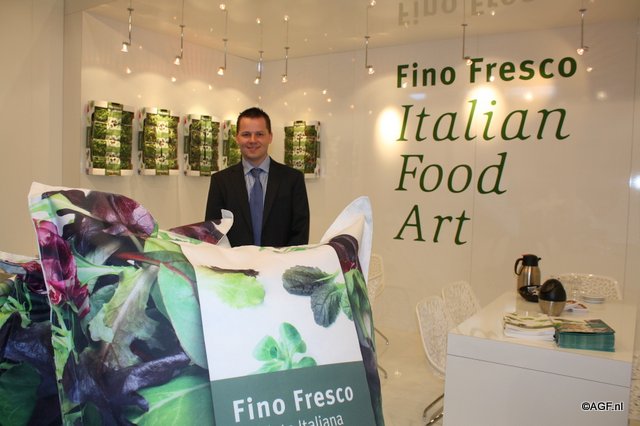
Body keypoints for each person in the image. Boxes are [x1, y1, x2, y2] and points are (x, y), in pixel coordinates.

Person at [205, 107, 310, 247]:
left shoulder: (292, 179)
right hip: (234, 261)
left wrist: (283, 259)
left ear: (270, 137)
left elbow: (300, 232)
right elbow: (213, 233)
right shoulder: (220, 181)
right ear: (237, 138)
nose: (252, 140)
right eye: (246, 134)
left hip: (280, 260)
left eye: (259, 134)